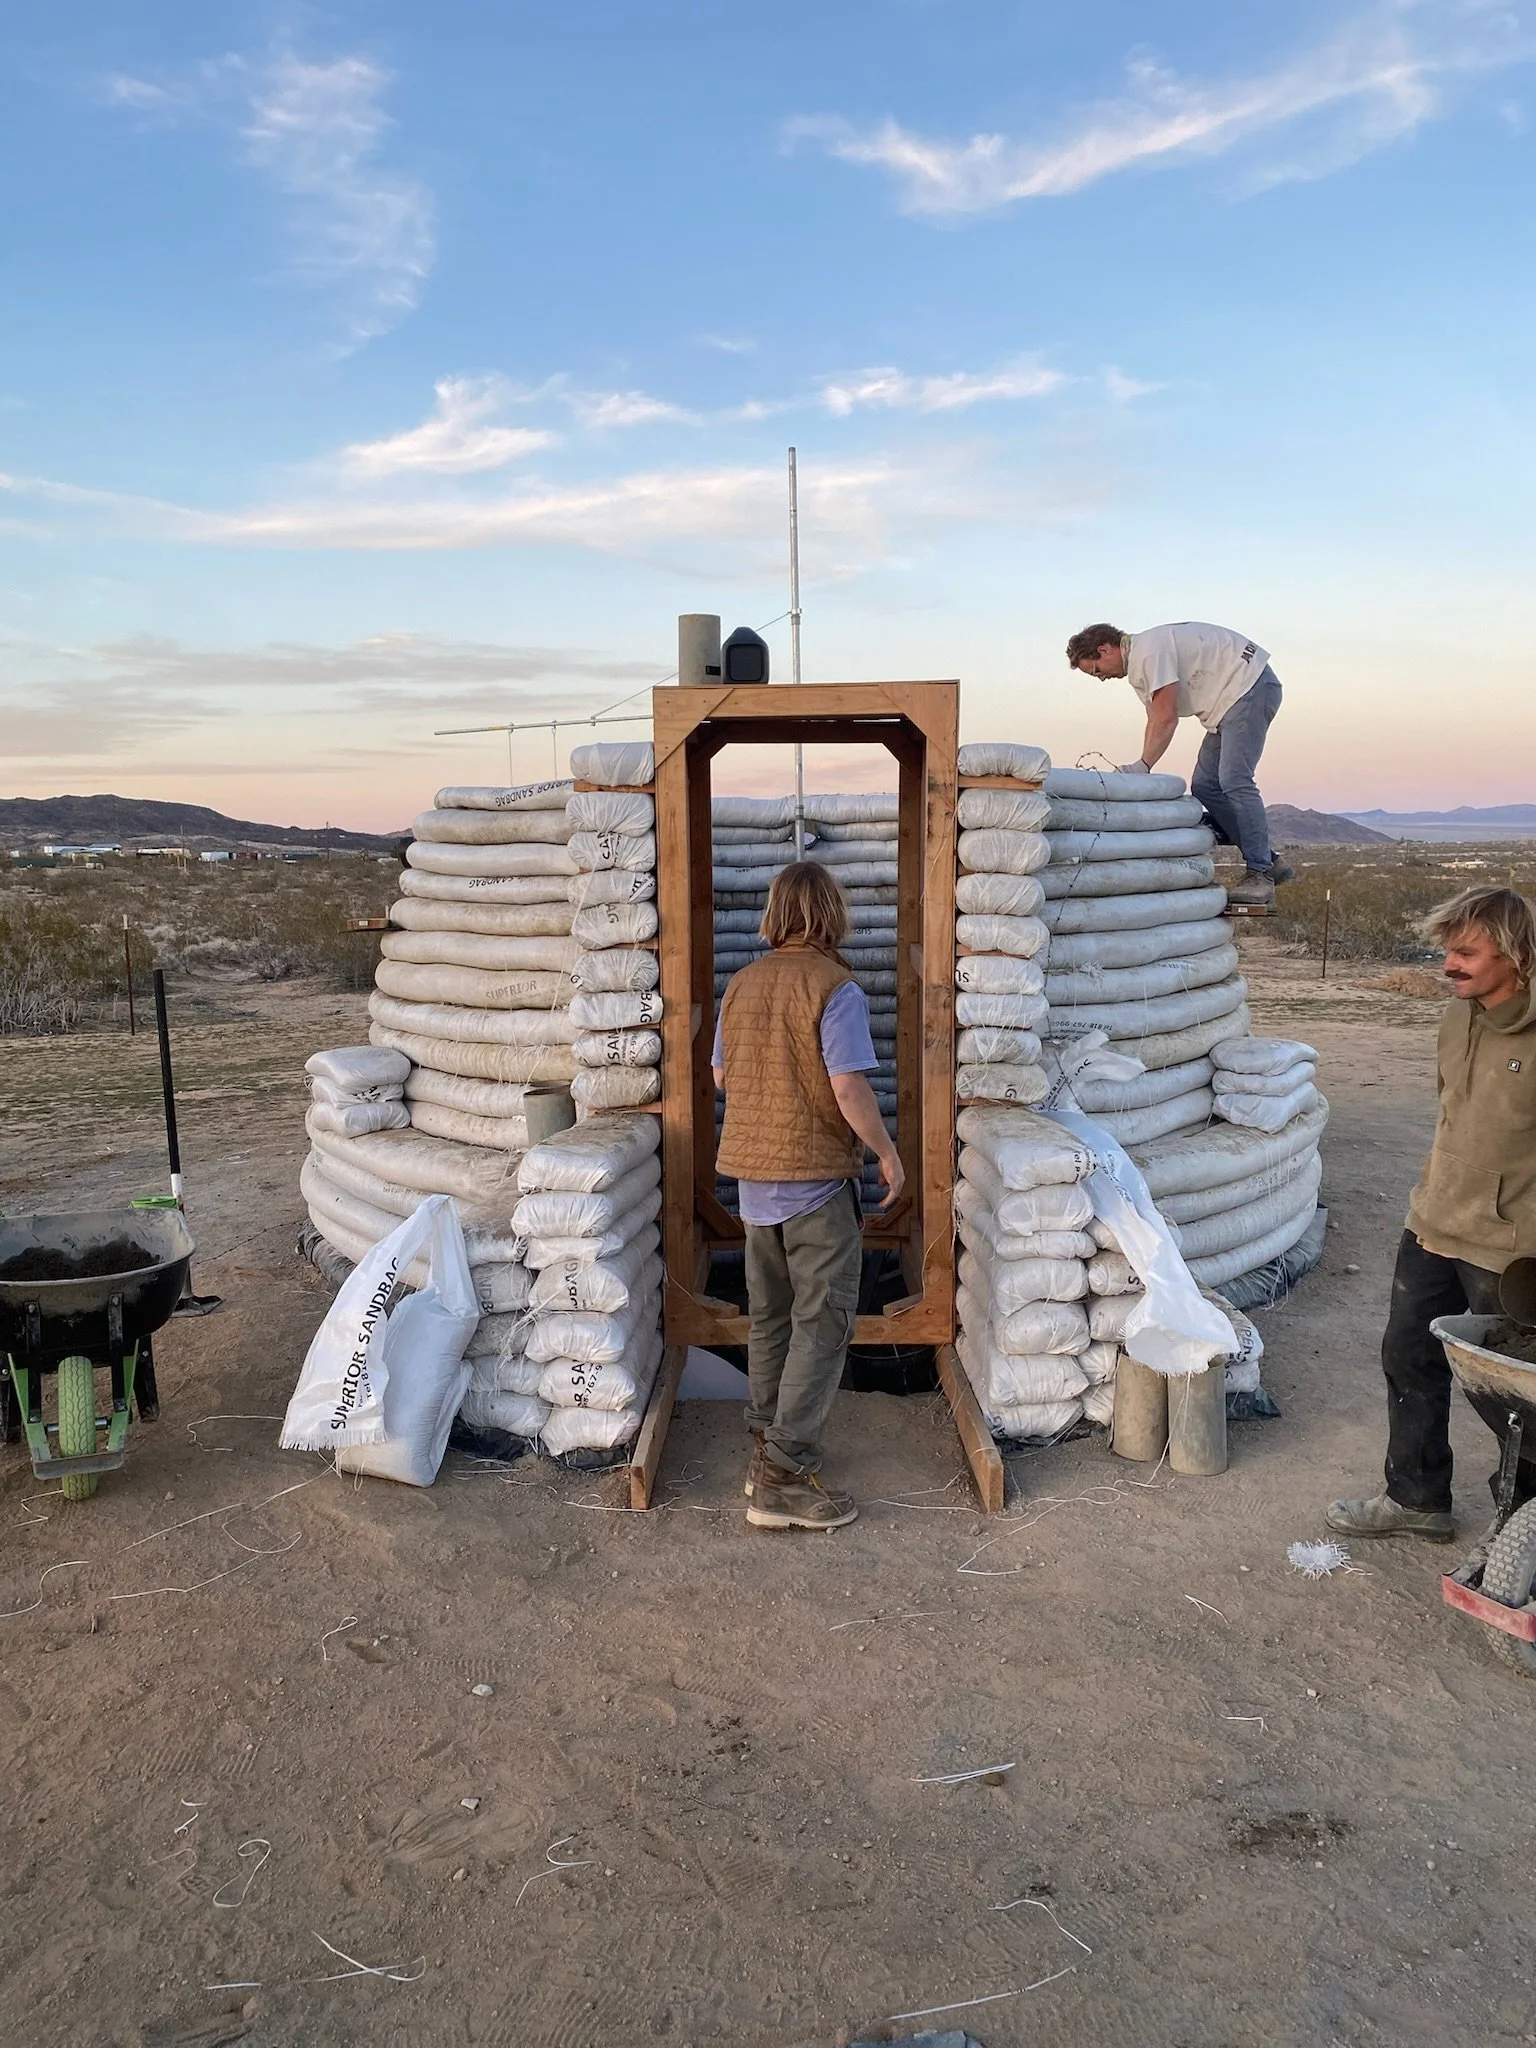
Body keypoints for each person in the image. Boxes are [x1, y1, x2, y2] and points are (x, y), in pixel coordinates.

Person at [1327, 886, 1536, 1554]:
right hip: (1434, 1224)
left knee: (1516, 1403)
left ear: (1512, 952)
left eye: (1467, 951)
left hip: (1513, 1249)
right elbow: (1453, 1118)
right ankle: (1416, 1499)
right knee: (1408, 1356)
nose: (1450, 964)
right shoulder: (1456, 1016)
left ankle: (1520, 1534)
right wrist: (1431, 1200)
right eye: (1447, 949)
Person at [712, 861, 904, 1532]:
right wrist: (885, 1151)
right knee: (822, 1327)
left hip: (753, 1181)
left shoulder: (740, 984)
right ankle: (785, 1480)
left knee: (770, 1320)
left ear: (775, 913)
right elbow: (848, 1088)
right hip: (816, 1180)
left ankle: (765, 1453)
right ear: (831, 914)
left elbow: (722, 1075)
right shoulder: (835, 986)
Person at [1065, 620, 1290, 908]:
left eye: (1096, 671)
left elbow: (1167, 717)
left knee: (1235, 780)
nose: (1101, 678)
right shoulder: (1140, 663)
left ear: (1104, 649)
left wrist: (1143, 766)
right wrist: (1141, 765)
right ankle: (1270, 862)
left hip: (1248, 687)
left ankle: (1260, 875)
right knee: (1206, 786)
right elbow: (1155, 718)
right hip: (1230, 701)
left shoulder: (1148, 652)